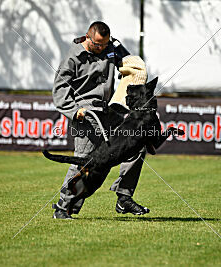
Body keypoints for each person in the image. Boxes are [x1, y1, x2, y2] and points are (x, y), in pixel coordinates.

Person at [51, 21, 149, 219]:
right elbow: (59, 91)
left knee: (137, 146)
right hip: (87, 114)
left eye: (105, 44)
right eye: (98, 45)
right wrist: (74, 110)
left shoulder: (111, 48)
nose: (102, 49)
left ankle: (124, 196)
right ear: (88, 38)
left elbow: (129, 63)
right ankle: (63, 206)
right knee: (85, 162)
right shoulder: (73, 57)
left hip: (110, 111)